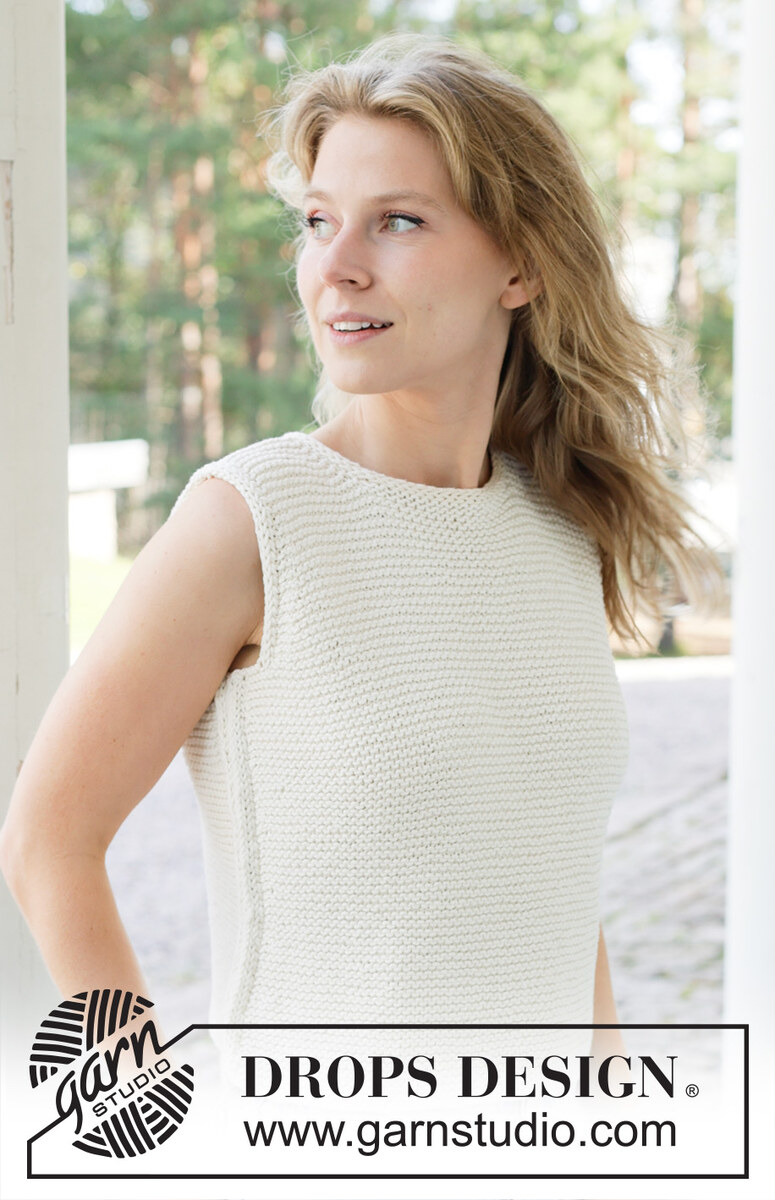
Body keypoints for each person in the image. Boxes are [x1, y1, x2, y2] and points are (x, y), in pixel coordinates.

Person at [0, 32, 724, 1087]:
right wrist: (143, 1116)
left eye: (397, 221)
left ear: (521, 264)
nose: (335, 264)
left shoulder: (558, 526)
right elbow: (48, 841)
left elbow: (551, 894)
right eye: (316, 221)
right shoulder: (249, 520)